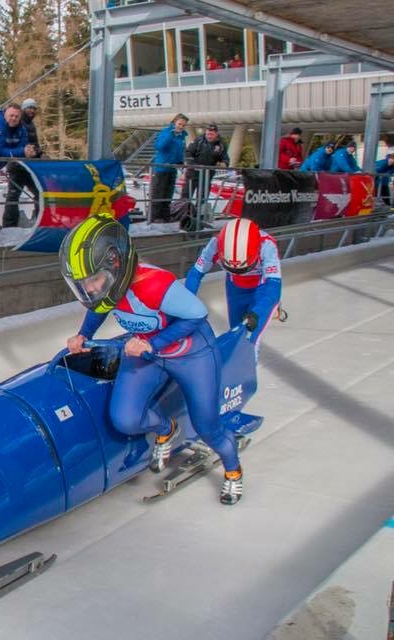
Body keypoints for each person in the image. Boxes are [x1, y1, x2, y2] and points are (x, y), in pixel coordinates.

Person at [62, 212, 244, 505]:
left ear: (115, 263)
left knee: (207, 426)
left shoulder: (154, 284)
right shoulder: (108, 289)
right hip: (146, 352)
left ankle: (233, 471)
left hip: (190, 353)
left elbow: (197, 314)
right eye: (84, 283)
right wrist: (82, 334)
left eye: (93, 279)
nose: (91, 289)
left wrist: (154, 343)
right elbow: (99, 306)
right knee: (125, 418)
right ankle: (166, 429)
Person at [185, 217, 282, 355]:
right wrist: (185, 305)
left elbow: (273, 288)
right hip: (235, 290)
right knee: (236, 333)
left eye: (242, 269)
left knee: (248, 340)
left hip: (261, 290)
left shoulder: (267, 245)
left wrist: (258, 311)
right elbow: (195, 274)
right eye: (233, 268)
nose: (240, 272)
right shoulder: (215, 244)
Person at [3, 98, 43, 228]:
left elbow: (34, 144)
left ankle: (39, 220)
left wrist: (39, 152)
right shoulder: (19, 123)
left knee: (39, 193)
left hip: (30, 166)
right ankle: (9, 225)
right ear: (23, 109)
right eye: (29, 108)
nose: (31, 111)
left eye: (33, 108)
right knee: (13, 195)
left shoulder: (31, 125)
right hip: (17, 165)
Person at [149, 113, 188, 222]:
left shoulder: (182, 136)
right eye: (179, 124)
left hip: (172, 168)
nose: (181, 127)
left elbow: (178, 151)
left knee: (168, 193)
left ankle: (165, 216)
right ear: (174, 122)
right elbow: (159, 146)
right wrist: (171, 135)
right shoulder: (166, 132)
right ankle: (155, 217)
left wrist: (180, 162)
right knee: (159, 193)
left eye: (183, 125)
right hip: (161, 167)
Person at [184, 123, 228, 206]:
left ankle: (199, 214)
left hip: (207, 174)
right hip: (193, 173)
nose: (209, 136)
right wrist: (192, 164)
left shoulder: (221, 144)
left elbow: (225, 157)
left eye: (211, 134)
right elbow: (188, 152)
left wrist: (224, 163)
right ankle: (182, 214)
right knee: (186, 195)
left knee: (203, 198)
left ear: (216, 134)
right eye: (208, 134)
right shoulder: (199, 140)